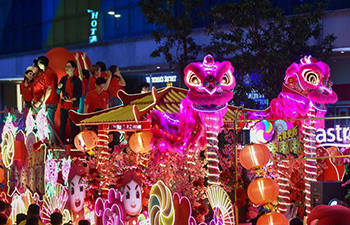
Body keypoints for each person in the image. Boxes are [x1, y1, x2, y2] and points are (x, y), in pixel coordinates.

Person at [33, 56, 59, 145]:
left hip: (51, 100)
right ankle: (51, 142)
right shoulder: (48, 72)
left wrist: (42, 102)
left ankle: (53, 143)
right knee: (48, 122)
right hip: (50, 100)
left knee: (49, 123)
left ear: (41, 64)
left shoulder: (48, 73)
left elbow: (49, 89)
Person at [57, 60, 82, 145]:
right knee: (62, 125)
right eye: (66, 67)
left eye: (69, 67)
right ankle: (61, 142)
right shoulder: (63, 79)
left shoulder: (77, 80)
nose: (67, 69)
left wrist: (72, 99)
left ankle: (74, 143)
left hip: (73, 106)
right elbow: (57, 91)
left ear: (73, 68)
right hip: (64, 105)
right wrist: (59, 88)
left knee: (73, 125)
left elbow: (79, 93)